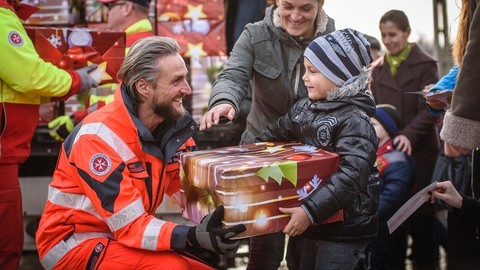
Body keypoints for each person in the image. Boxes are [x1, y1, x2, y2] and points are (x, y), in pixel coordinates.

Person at [35, 36, 245, 269]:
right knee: (173, 267)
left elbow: (193, 196)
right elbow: (129, 224)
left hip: (121, 239)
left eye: (185, 78)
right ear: (143, 87)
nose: (187, 89)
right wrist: (192, 236)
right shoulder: (97, 138)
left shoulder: (173, 129)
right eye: (176, 81)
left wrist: (239, 217)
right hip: (75, 245)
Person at [199, 0, 335, 268]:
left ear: (321, 4)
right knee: (263, 249)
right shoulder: (254, 34)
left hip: (311, 159)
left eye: (305, 8)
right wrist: (224, 101)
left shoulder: (333, 41)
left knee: (306, 249)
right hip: (262, 153)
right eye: (288, 6)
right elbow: (233, 75)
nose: (295, 16)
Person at [255, 28, 378, 269]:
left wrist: (309, 211)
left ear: (340, 76)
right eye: (305, 69)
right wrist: (242, 160)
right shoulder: (303, 109)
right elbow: (270, 139)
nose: (304, 77)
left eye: (313, 71)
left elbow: (351, 176)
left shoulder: (355, 121)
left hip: (344, 228)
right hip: (311, 222)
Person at [0, 1, 98, 268]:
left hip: (6, 152)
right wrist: (76, 80)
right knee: (5, 246)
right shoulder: (1, 18)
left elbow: (19, 85)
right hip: (2, 153)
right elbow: (29, 77)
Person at [369, 9, 440, 269]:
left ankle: (427, 263)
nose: (388, 41)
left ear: (407, 33)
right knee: (393, 223)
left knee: (423, 221)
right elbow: (374, 108)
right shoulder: (376, 69)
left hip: (420, 152)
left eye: (393, 34)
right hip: (388, 152)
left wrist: (407, 135)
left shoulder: (426, 64)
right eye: (384, 35)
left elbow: (431, 108)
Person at [48, 0, 153, 141]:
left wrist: (77, 120)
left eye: (109, 7)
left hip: (119, 133)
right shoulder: (130, 45)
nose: (107, 13)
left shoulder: (132, 48)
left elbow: (129, 100)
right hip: (112, 129)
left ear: (126, 8)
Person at [365, 104, 414, 269]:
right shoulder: (371, 152)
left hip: (386, 226)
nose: (369, 127)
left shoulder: (396, 158)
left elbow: (394, 195)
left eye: (375, 124)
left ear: (388, 129)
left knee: (380, 263)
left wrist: (369, 215)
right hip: (371, 223)